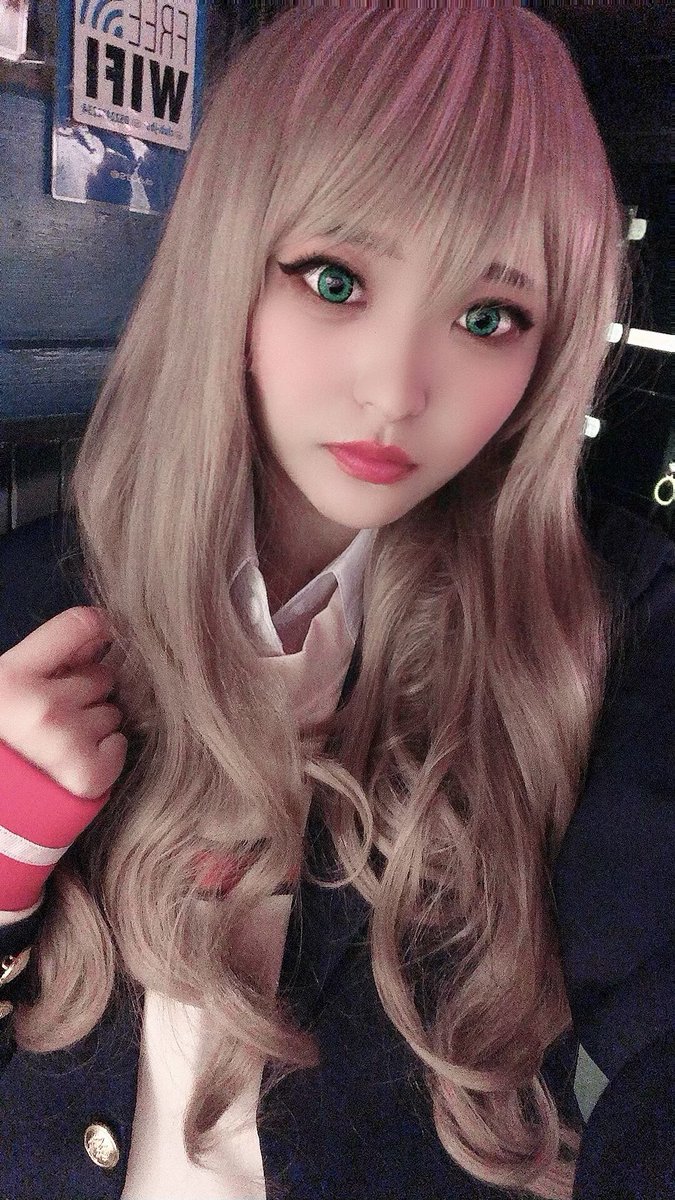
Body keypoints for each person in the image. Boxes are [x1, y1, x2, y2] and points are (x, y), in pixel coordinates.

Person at [0, 5, 672, 1199]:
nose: (397, 389)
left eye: (488, 317)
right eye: (335, 278)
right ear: (229, 263)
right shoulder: (28, 597)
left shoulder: (605, 633)